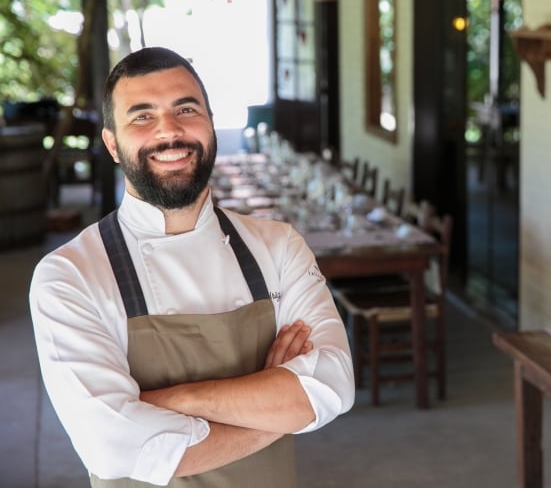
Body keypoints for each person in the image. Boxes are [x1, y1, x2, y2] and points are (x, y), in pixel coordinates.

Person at [29, 46, 355, 487]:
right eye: (142, 116)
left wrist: (172, 400)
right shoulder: (70, 276)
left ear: (211, 123)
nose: (170, 131)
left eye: (186, 108)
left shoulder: (278, 247)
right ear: (112, 144)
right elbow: (114, 446)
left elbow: (334, 384)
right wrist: (280, 399)